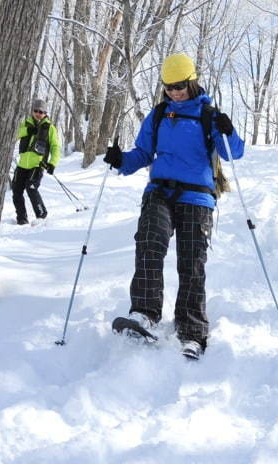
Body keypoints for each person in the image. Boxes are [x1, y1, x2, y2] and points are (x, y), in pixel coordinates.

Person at [104, 52, 243, 359]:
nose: (175, 91)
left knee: (191, 262)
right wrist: (121, 161)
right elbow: (141, 154)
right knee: (149, 243)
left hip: (197, 196)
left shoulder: (207, 114)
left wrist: (228, 130)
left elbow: (234, 153)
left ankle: (192, 331)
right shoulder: (158, 115)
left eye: (180, 84)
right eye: (168, 86)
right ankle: (144, 313)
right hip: (159, 192)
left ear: (192, 80)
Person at [11, 98, 59, 225]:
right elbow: (14, 135)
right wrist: (27, 130)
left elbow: (55, 147)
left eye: (41, 111)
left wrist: (52, 163)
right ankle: (22, 218)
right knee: (16, 191)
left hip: (37, 165)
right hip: (22, 164)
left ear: (45, 113)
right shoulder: (25, 124)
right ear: (32, 111)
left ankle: (41, 215)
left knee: (31, 187)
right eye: (36, 110)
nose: (38, 113)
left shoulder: (50, 128)